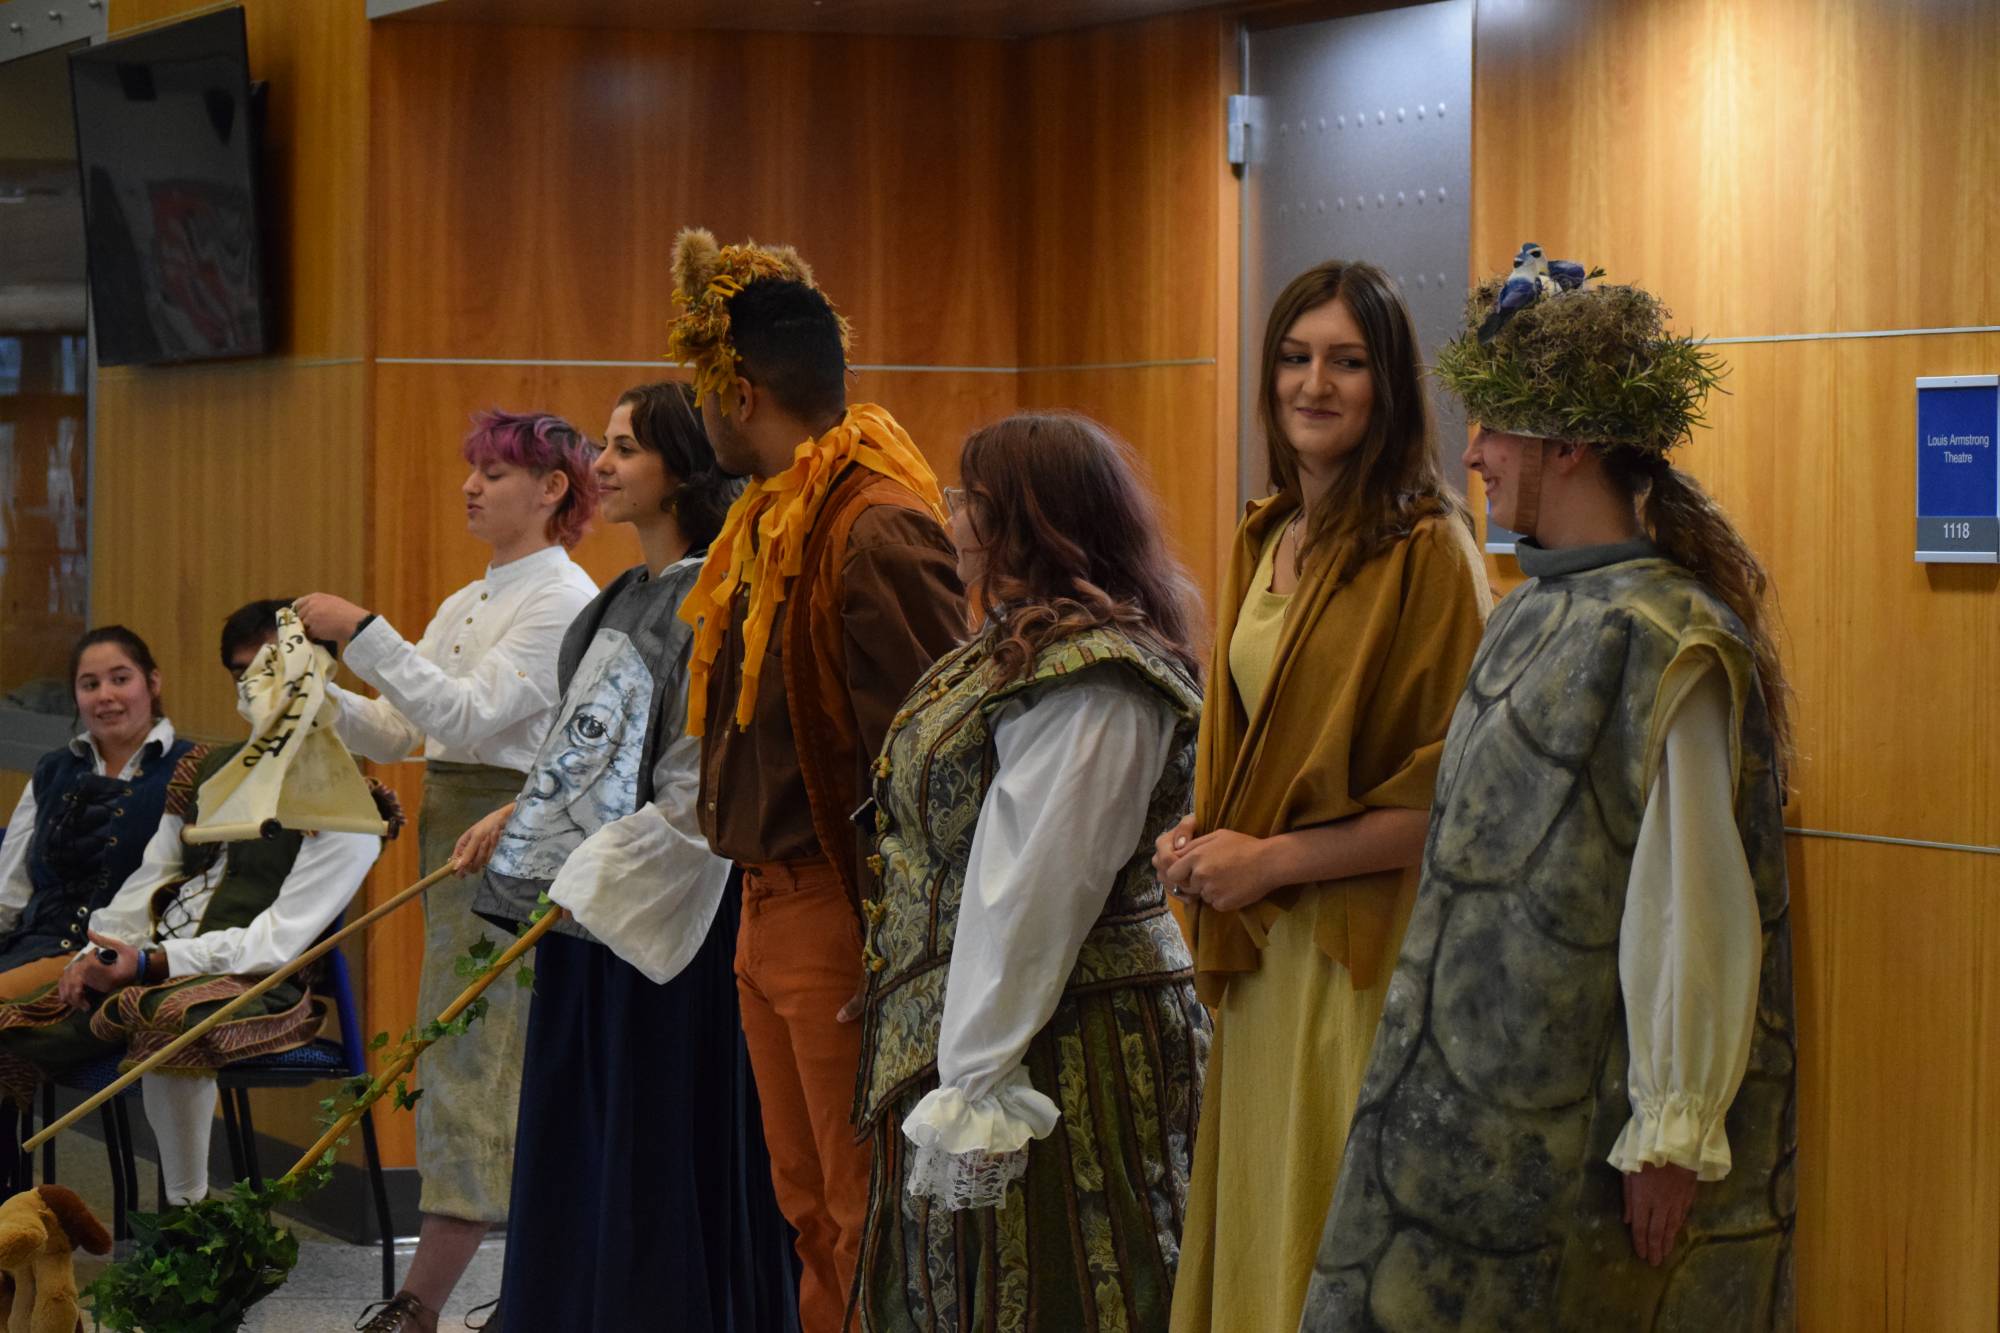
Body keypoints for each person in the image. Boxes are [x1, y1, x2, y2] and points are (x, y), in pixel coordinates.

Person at [1302, 257, 1798, 1329]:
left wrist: (1670, 1127)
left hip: (1577, 1124)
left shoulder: (1665, 636)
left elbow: (1688, 899)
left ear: (1565, 445)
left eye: (1494, 429)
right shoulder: (1528, 610)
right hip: (1463, 1110)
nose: (1471, 454)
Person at [1162, 261, 1491, 1333]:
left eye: (1346, 362)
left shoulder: (1428, 551)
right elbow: (1266, 756)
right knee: (1262, 1238)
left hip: (1357, 957)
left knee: (1326, 1246)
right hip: (1261, 950)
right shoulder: (1266, 536)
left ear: (1387, 384)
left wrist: (1268, 858)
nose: (1315, 383)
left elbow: (1453, 801)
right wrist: (1206, 833)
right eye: (1296, 358)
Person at [850, 412, 1210, 1330]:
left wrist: (977, 1076)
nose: (952, 516)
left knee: (1067, 1274)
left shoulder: (1094, 679)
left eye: (970, 498)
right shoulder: (1014, 645)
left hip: (1060, 1036)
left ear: (1027, 520)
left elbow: (1035, 889)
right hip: (990, 1026)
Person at [669, 228, 967, 1332]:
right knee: (810, 1213)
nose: (701, 415)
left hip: (840, 916)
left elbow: (939, 763)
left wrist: (903, 950)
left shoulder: (874, 525)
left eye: (703, 394)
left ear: (737, 394)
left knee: (862, 1211)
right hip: (765, 904)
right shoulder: (769, 515)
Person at [455, 381, 797, 1332]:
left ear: (684, 466)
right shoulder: (616, 598)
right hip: (587, 902)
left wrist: (590, 873)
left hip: (661, 908)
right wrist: (524, 811)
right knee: (581, 1127)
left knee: (651, 1130)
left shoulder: (716, 594)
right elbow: (590, 749)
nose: (599, 467)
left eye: (624, 449)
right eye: (606, 446)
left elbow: (697, 784)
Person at [293, 409, 599, 1333]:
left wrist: (361, 630)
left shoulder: (565, 597)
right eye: (473, 470)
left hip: (512, 844)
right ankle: (513, 1292)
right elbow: (407, 731)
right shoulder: (471, 598)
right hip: (453, 831)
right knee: (465, 1055)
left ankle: (418, 1304)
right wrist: (309, 694)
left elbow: (466, 716)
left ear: (552, 489)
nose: (471, 486)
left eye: (495, 474)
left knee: (476, 1058)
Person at [0, 599, 393, 1208]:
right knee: (13, 1022)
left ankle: (186, 1218)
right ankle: (15, 1218)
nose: (258, 687)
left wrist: (153, 963)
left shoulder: (346, 804)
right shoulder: (207, 770)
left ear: (318, 671)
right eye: (242, 673)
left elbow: (277, 943)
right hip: (154, 960)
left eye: (274, 667)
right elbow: (151, 878)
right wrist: (100, 952)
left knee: (166, 1016)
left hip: (260, 980)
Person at [0, 628, 197, 1002]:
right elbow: (9, 892)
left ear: (152, 683)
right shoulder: (52, 770)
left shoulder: (190, 769)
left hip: (117, 964)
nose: (105, 695)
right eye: (90, 685)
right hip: (29, 948)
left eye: (120, 679)